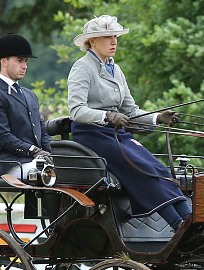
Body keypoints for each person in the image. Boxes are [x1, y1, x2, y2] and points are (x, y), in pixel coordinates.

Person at [67, 15, 191, 230]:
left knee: (157, 167)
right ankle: (177, 225)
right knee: (141, 168)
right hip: (92, 135)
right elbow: (76, 110)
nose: (114, 41)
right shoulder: (82, 68)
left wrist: (156, 118)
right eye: (108, 37)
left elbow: (130, 111)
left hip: (116, 133)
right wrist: (106, 116)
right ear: (92, 41)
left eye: (115, 36)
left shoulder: (116, 69)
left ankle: (190, 221)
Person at [0, 34, 53, 177]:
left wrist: (56, 151)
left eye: (25, 61)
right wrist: (33, 150)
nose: (24, 66)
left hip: (34, 160)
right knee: (51, 174)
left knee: (71, 170)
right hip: (11, 163)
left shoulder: (29, 94)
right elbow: (2, 136)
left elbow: (42, 131)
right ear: (4, 61)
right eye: (19, 61)